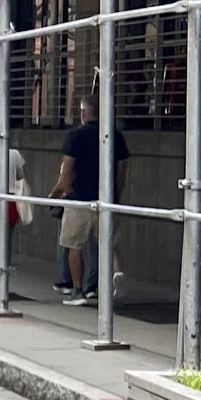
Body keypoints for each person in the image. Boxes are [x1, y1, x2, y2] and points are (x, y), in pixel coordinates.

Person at [51, 95, 131, 307]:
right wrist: (116, 196)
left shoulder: (74, 136)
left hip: (79, 200)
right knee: (109, 243)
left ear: (84, 113)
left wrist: (56, 193)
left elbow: (66, 173)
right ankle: (114, 273)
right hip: (107, 199)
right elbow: (122, 172)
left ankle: (77, 290)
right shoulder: (116, 136)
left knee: (73, 245)